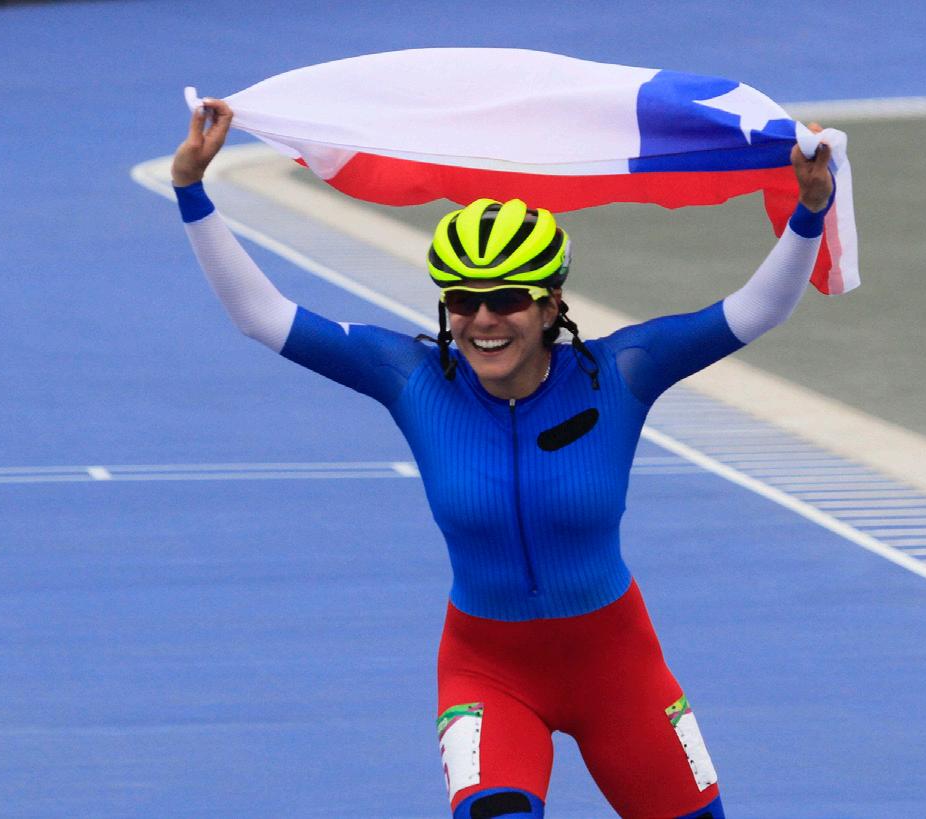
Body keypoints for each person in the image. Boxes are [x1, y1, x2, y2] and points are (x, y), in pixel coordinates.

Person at [171, 98, 833, 819]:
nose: (483, 320)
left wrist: (809, 211)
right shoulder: (411, 378)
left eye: (507, 299)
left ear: (551, 305)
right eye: (463, 301)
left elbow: (757, 309)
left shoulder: (623, 371)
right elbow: (261, 315)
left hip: (619, 671)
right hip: (487, 672)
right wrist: (191, 189)